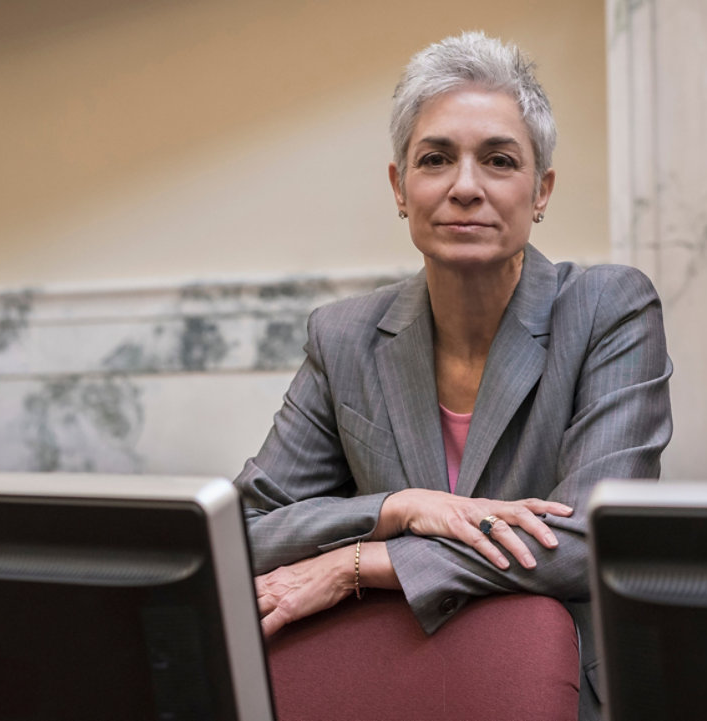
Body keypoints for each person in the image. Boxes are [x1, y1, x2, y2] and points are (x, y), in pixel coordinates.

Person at [234, 31, 672, 721]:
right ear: (400, 187)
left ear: (541, 191)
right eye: (436, 159)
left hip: (562, 693)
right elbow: (247, 529)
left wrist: (359, 564)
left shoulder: (609, 309)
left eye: (498, 160)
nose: (465, 187)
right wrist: (394, 508)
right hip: (385, 683)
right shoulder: (343, 334)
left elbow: (590, 540)